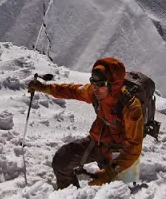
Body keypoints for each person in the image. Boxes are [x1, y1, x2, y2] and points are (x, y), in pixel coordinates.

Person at [28, 57, 144, 189]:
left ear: (113, 85)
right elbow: (73, 90)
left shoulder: (131, 107)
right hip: (98, 142)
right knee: (61, 161)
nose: (95, 88)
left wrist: (109, 172)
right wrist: (45, 88)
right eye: (93, 82)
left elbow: (133, 148)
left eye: (101, 84)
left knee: (120, 193)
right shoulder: (95, 92)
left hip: (121, 155)